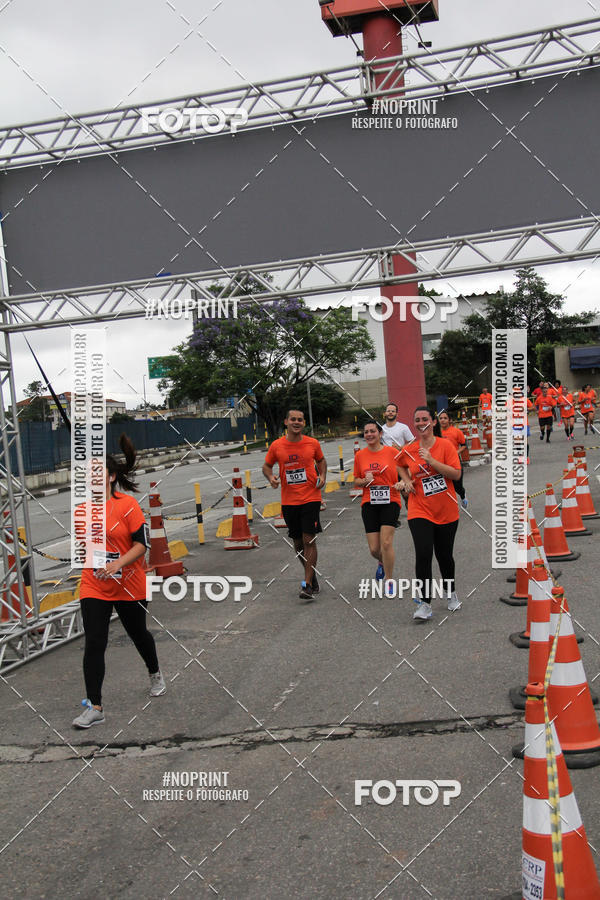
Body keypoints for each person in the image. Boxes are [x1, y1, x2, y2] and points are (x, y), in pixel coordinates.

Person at [73, 435, 165, 729]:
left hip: (129, 582)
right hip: (94, 584)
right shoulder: (81, 510)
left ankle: (155, 673)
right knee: (95, 642)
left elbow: (141, 545)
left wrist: (116, 563)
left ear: (112, 477)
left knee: (138, 634)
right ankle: (95, 706)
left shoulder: (128, 506)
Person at [397, 407, 462, 621]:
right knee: (423, 554)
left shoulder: (445, 446)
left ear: (433, 422)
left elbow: (456, 473)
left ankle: (450, 592)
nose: (421, 422)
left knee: (444, 556)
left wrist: (432, 461)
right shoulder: (409, 449)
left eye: (425, 419)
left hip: (446, 510)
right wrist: (406, 481)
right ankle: (424, 603)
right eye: (417, 420)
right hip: (419, 509)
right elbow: (399, 464)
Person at [263, 409, 327, 600]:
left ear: (304, 423)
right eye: (293, 419)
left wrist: (322, 475)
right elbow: (266, 466)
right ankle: (312, 575)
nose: (296, 422)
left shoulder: (312, 443)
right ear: (286, 422)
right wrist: (271, 477)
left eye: (300, 420)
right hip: (289, 501)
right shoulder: (277, 446)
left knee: (309, 540)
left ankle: (306, 584)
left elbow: (321, 460)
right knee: (298, 544)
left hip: (311, 498)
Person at [353, 421, 404, 596]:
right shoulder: (360, 455)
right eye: (366, 432)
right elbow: (356, 481)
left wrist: (402, 482)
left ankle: (389, 580)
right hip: (369, 503)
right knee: (375, 549)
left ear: (380, 434)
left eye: (372, 431)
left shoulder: (392, 452)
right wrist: (364, 480)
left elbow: (406, 472)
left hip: (390, 500)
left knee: (386, 543)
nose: (369, 434)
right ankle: (383, 562)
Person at [437, 411, 468, 508]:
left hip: (454, 462)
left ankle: (463, 496)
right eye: (441, 418)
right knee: (443, 487)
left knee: (457, 487)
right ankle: (449, 507)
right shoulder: (436, 432)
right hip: (441, 462)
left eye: (445, 418)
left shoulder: (456, 431)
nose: (442, 420)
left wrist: (457, 452)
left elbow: (464, 445)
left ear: (450, 420)